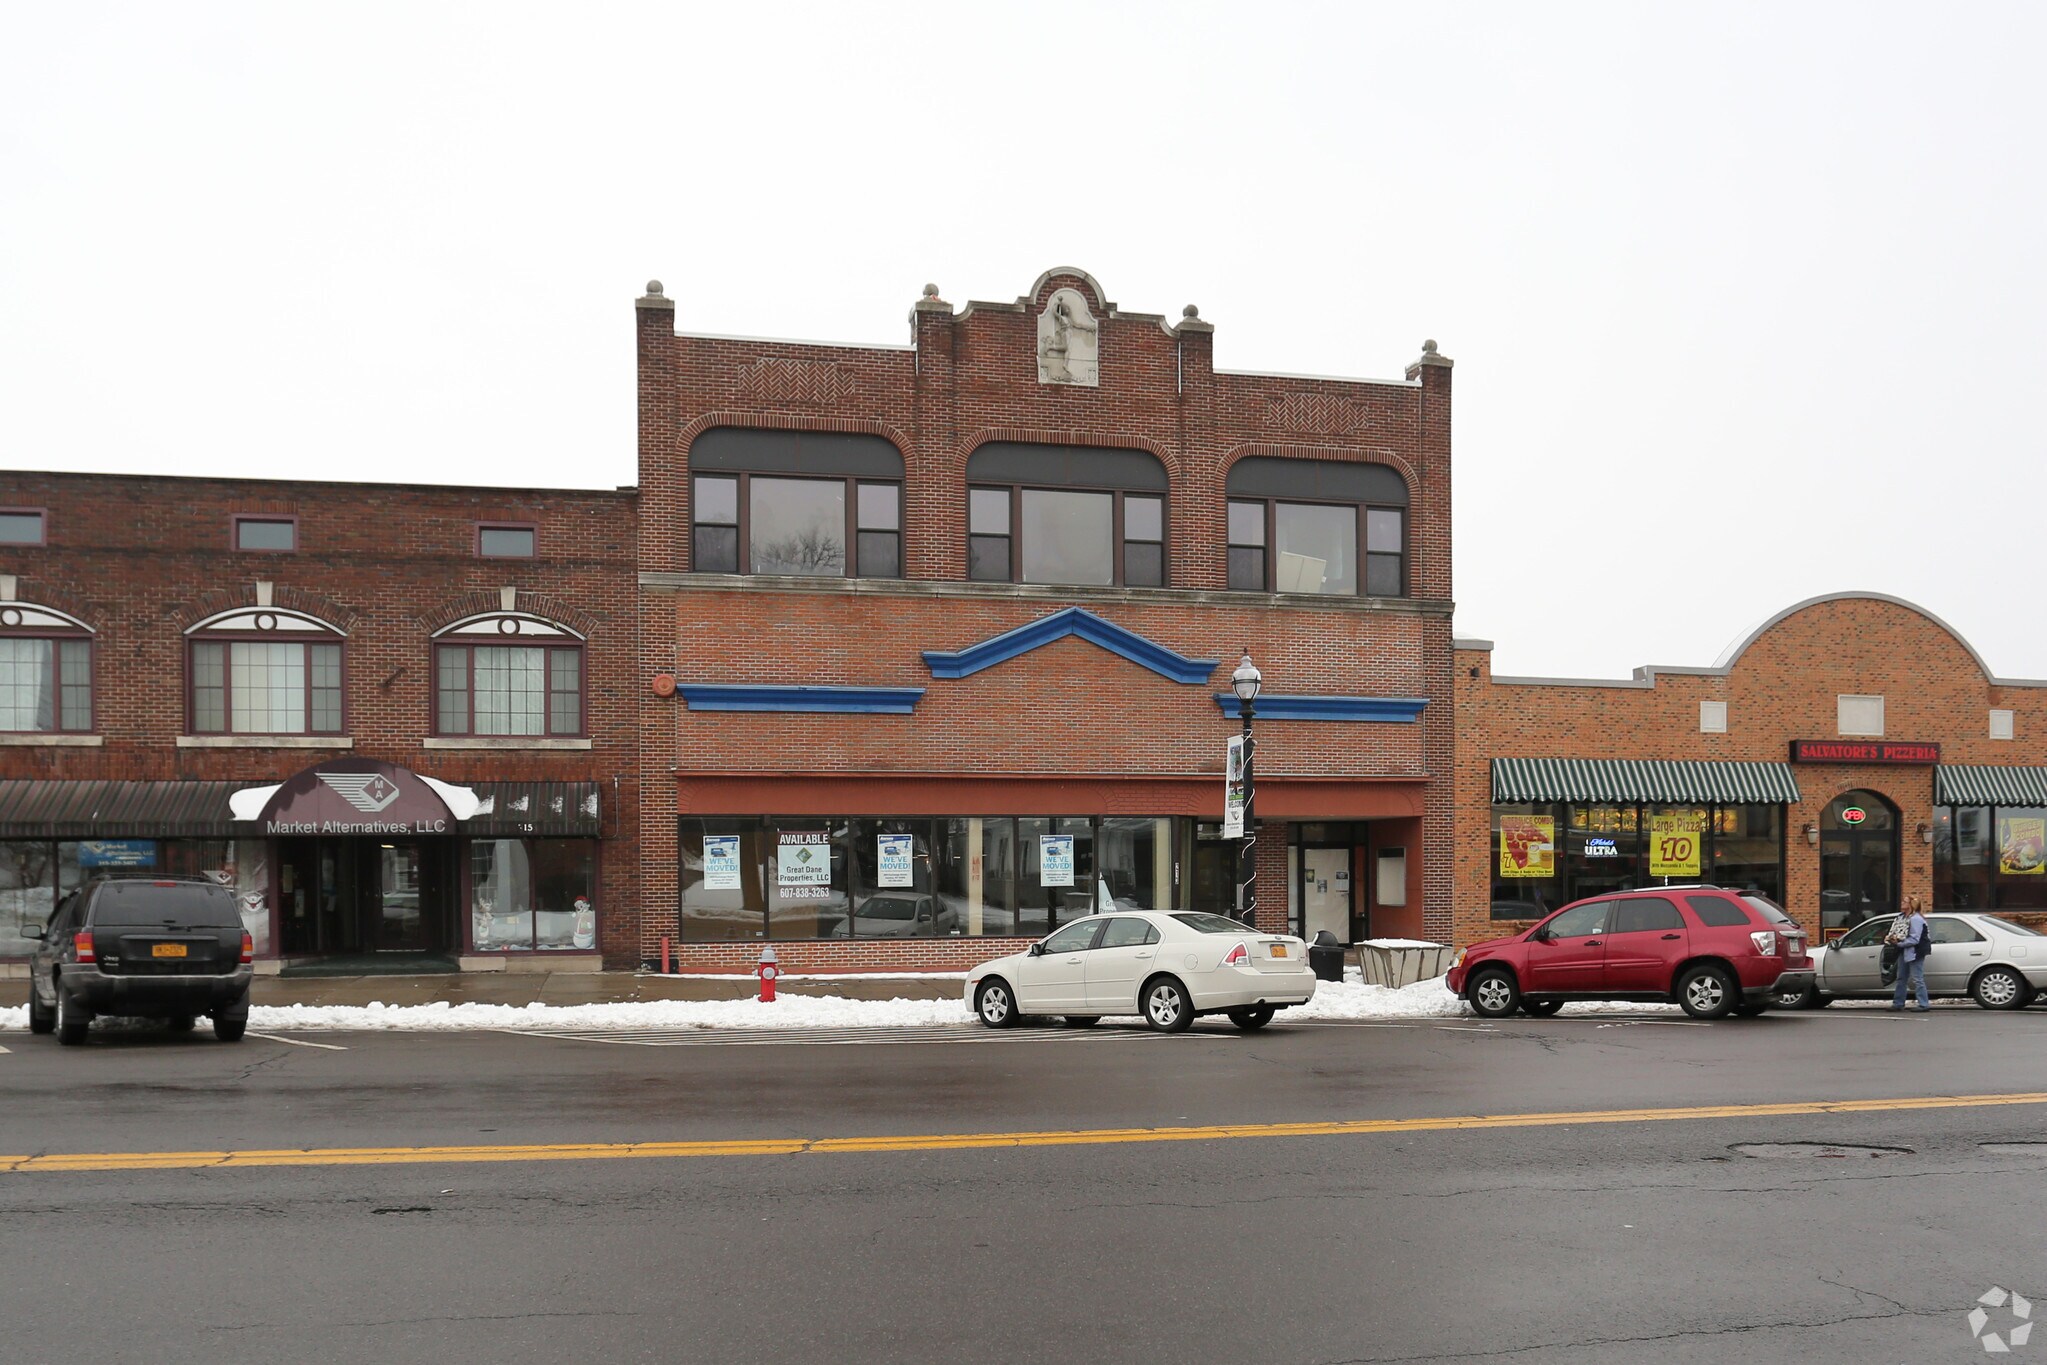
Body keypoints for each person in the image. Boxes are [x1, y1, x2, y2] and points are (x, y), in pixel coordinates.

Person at [1890, 894, 1932, 1011]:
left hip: (1915, 952)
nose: (1902, 903)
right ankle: (1898, 1003)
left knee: (1917, 978)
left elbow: (1914, 939)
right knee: (1901, 978)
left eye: (1905, 902)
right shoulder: (1901, 917)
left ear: (1911, 905)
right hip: (1904, 950)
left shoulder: (1916, 919)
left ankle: (1924, 1004)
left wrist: (1899, 943)